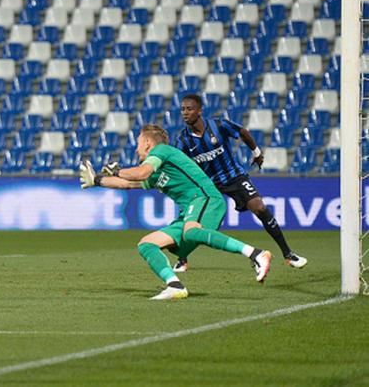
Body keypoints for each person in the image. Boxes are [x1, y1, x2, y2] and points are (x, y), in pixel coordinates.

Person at [80, 124, 273, 300]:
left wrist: (116, 170)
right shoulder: (156, 169)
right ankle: (174, 285)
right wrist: (97, 180)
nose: (136, 149)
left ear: (148, 143)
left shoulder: (161, 151)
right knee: (147, 244)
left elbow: (140, 173)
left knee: (191, 231)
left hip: (205, 198)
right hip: (189, 211)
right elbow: (129, 184)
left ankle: (256, 254)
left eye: (138, 143)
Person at [172, 94, 307, 272]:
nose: (185, 113)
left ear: (199, 111)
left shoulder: (219, 125)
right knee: (195, 223)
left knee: (260, 208)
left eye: (189, 109)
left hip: (234, 176)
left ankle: (288, 254)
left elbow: (243, 132)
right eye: (182, 109)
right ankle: (182, 258)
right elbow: (180, 165)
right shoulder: (183, 140)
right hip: (208, 185)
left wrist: (256, 152)